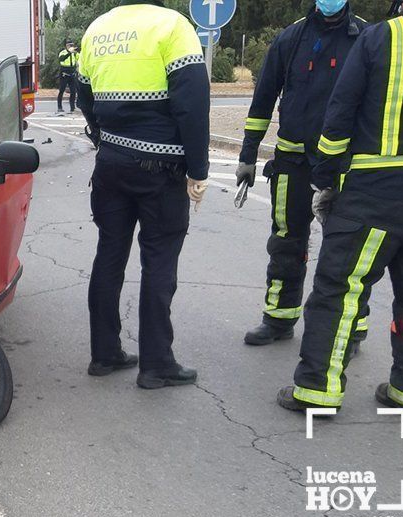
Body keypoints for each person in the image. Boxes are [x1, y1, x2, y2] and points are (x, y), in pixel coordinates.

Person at [277, 0, 403, 417]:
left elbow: (340, 112)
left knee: (339, 291)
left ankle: (318, 390)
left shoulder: (381, 36)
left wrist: (325, 178)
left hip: (374, 192)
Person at [76, 0, 210, 389]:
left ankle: (104, 354)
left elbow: (85, 98)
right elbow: (193, 106)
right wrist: (198, 171)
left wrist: (106, 138)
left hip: (111, 164)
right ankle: (156, 365)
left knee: (109, 255)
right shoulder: (173, 26)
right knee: (159, 264)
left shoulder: (97, 29)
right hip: (161, 171)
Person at [237, 1, 368, 347]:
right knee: (285, 243)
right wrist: (248, 155)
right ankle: (278, 318)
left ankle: (351, 330)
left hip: (345, 169)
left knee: (347, 255)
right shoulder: (291, 37)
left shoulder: (367, 38)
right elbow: (263, 97)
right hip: (292, 163)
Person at [56, 39, 79, 114]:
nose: (70, 46)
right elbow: (61, 59)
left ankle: (72, 108)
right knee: (61, 90)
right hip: (64, 73)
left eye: (72, 45)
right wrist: (69, 52)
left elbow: (81, 59)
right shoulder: (63, 52)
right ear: (66, 46)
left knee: (73, 91)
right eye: (69, 45)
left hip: (72, 73)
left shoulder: (75, 54)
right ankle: (59, 107)